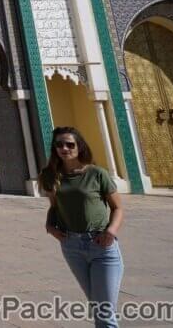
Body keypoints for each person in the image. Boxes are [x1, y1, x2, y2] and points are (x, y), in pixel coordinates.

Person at [41, 126, 124, 328]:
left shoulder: (97, 173)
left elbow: (118, 208)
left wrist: (111, 232)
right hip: (72, 246)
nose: (64, 148)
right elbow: (54, 206)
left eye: (70, 144)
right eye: (59, 144)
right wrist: (49, 226)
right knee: (98, 308)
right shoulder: (50, 175)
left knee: (104, 312)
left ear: (80, 147)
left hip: (102, 245)